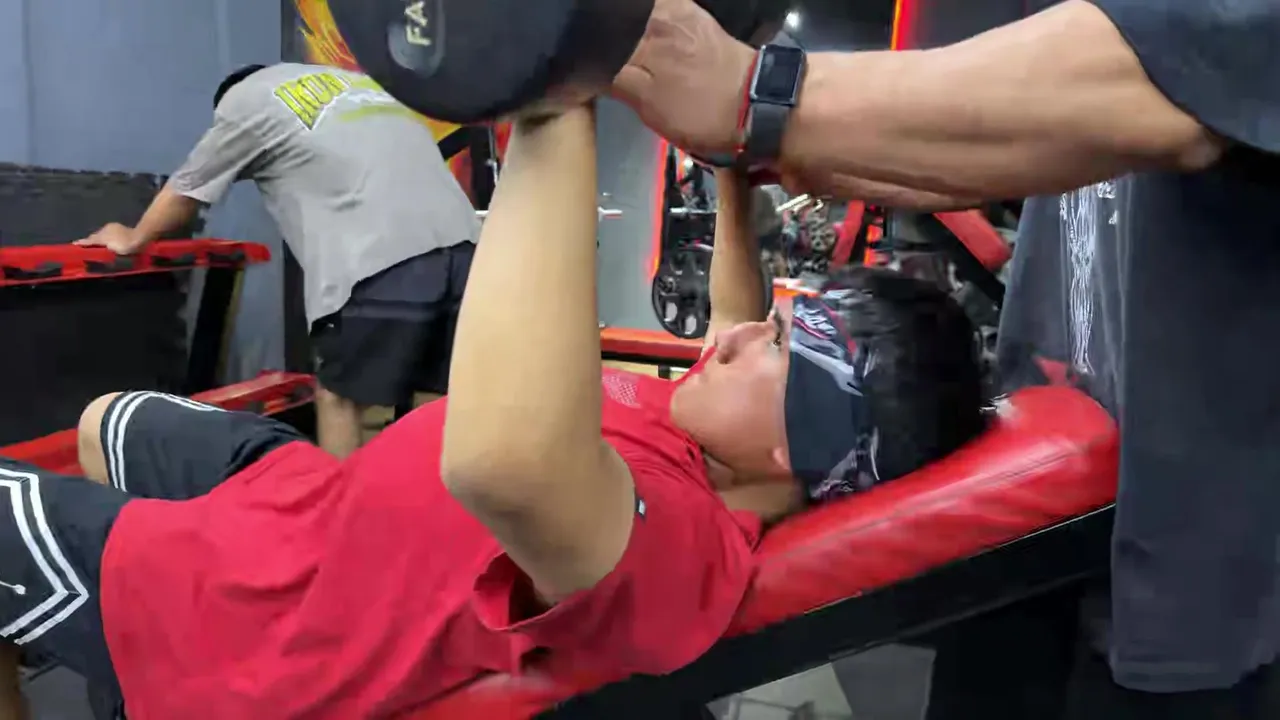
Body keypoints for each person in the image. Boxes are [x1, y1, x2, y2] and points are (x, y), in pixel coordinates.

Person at [0, 100, 984, 718]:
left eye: (773, 345)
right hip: (305, 508)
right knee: (105, 419)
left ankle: (136, 650)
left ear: (802, 437)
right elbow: (734, 317)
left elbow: (500, 463)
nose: (729, 339)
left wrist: (556, 103)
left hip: (241, 612)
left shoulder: (677, 546)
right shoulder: (723, 441)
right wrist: (731, 173)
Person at [613, 0, 1280, 717]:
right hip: (1028, 530)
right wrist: (760, 154)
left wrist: (760, 98)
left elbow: (1186, 79)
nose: (733, 343)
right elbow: (1028, 146)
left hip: (1179, 564)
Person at [77, 63, 480, 458]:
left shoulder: (245, 100)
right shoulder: (359, 87)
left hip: (378, 260)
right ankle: (435, 501)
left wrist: (134, 237)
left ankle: (339, 503)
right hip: (470, 258)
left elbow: (188, 187)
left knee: (340, 399)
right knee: (436, 400)